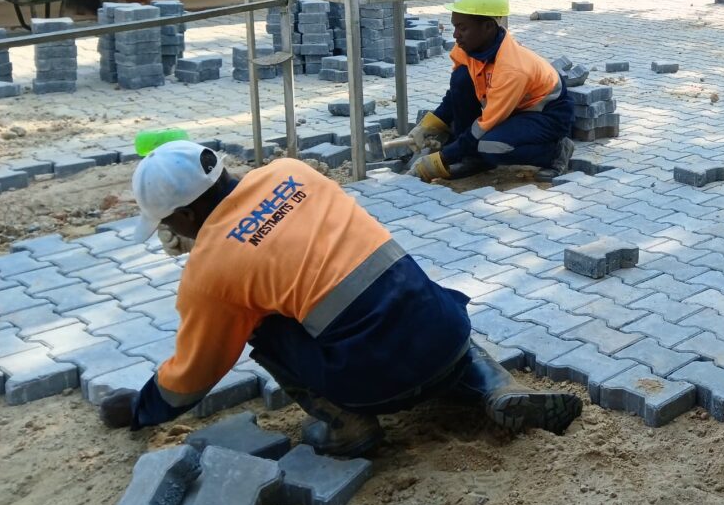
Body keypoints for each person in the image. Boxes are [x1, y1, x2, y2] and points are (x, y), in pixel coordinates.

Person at [98, 142, 583, 455]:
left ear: (185, 216)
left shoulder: (209, 269)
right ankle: (496, 386)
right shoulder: (292, 172)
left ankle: (348, 425)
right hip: (446, 332)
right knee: (409, 298)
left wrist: (140, 408)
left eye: (166, 223)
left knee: (259, 323)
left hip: (375, 380)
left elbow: (195, 372)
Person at [402, 0, 575, 183]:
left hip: (546, 114)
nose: (456, 35)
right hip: (511, 108)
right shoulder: (468, 48)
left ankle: (556, 151)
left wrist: (440, 159)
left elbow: (482, 127)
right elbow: (456, 95)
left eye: (462, 28)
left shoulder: (511, 70)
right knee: (461, 78)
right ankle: (472, 158)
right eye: (455, 26)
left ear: (488, 27)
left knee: (491, 146)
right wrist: (429, 125)